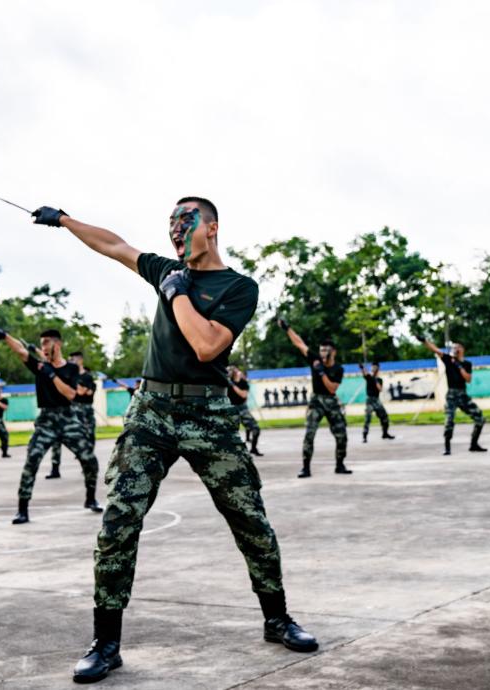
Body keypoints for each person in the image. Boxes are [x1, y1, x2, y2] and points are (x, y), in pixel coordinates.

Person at [30, 196, 317, 683]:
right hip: (152, 411)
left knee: (249, 518)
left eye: (186, 222)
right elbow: (115, 245)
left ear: (213, 227)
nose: (176, 232)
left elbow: (207, 345)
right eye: (171, 225)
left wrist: (177, 292)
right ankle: (106, 641)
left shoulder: (238, 287)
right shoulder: (166, 270)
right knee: (119, 521)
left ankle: (277, 618)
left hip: (209, 412)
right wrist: (64, 220)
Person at [0, 327, 102, 522]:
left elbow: (71, 394)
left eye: (46, 343)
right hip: (46, 421)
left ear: (57, 345)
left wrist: (52, 375)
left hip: (68, 418)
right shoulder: (40, 367)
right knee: (31, 461)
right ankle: (22, 509)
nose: (43, 347)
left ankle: (90, 498)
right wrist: (5, 336)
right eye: (41, 344)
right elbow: (21, 351)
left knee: (90, 460)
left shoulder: (71, 369)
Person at [278, 320, 350, 477]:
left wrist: (321, 372)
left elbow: (332, 388)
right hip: (316, 401)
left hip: (331, 400)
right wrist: (287, 328)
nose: (323, 354)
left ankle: (340, 465)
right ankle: (306, 467)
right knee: (309, 434)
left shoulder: (338, 369)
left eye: (326, 351)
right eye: (322, 350)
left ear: (334, 352)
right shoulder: (315, 359)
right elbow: (300, 344)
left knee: (341, 434)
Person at [420, 338, 487, 455]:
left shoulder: (467, 364)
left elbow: (468, 379)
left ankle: (474, 444)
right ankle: (447, 447)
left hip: (462, 394)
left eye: (457, 347)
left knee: (480, 418)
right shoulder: (448, 360)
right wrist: (424, 341)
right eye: (453, 347)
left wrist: (459, 366)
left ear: (462, 349)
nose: (455, 349)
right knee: (449, 420)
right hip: (452, 394)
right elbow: (435, 350)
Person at [45, 351, 98, 479]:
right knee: (56, 439)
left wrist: (72, 388)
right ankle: (55, 469)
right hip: (70, 410)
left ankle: (87, 466)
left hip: (85, 412)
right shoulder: (67, 374)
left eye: (72, 359)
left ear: (80, 360)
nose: (70, 362)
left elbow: (82, 392)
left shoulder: (87, 377)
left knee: (85, 439)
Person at [227, 365, 262, 456]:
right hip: (231, 409)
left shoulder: (243, 383)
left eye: (234, 370)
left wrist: (233, 385)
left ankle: (253, 448)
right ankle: (232, 452)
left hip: (242, 408)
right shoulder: (226, 384)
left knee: (256, 429)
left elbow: (243, 395)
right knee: (230, 432)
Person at [362, 362, 395, 443]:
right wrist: (362, 368)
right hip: (370, 400)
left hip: (376, 400)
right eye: (373, 367)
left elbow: (380, 389)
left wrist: (375, 379)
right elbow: (364, 373)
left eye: (375, 367)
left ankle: (385, 433)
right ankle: (364, 436)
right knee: (368, 418)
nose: (374, 369)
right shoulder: (369, 377)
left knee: (384, 416)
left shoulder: (379, 380)